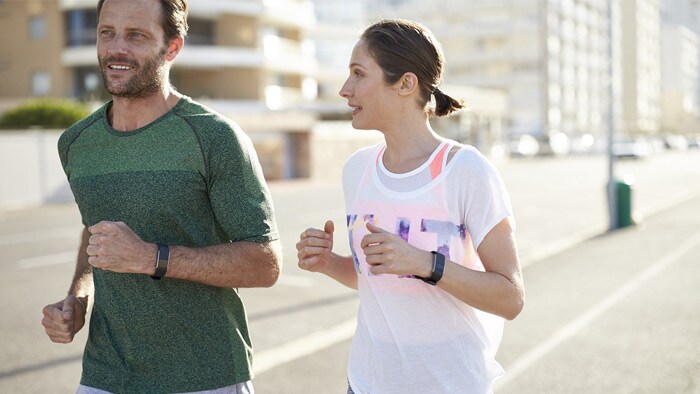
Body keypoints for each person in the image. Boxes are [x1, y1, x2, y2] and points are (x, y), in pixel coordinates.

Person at [40, 0, 282, 393]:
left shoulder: (215, 137)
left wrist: (151, 257)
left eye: (136, 35)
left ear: (172, 47)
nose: (116, 48)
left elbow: (265, 264)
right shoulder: (77, 142)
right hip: (106, 374)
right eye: (107, 33)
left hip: (207, 375)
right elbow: (96, 232)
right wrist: (77, 297)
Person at [296, 19, 525, 394]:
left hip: (449, 384)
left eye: (358, 74)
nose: (344, 89)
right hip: (367, 382)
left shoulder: (466, 170)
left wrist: (424, 263)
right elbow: (378, 280)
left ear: (405, 84)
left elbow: (510, 298)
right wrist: (330, 264)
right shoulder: (357, 171)